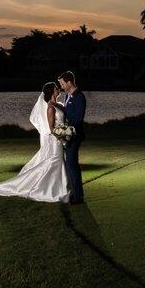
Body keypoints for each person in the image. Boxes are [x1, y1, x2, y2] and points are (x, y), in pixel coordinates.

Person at [0, 81, 70, 202]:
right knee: (54, 161)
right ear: (51, 91)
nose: (58, 89)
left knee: (58, 161)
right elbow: (51, 128)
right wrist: (61, 136)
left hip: (59, 140)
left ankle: (58, 187)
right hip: (55, 140)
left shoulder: (59, 105)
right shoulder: (50, 108)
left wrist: (66, 132)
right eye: (56, 88)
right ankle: (48, 189)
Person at [55, 70, 86, 205]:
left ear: (69, 82)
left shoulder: (79, 97)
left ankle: (78, 197)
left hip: (74, 135)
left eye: (62, 83)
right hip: (67, 135)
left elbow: (78, 118)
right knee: (69, 165)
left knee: (72, 165)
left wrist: (65, 131)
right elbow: (67, 113)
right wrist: (56, 106)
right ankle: (73, 193)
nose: (61, 86)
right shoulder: (67, 96)